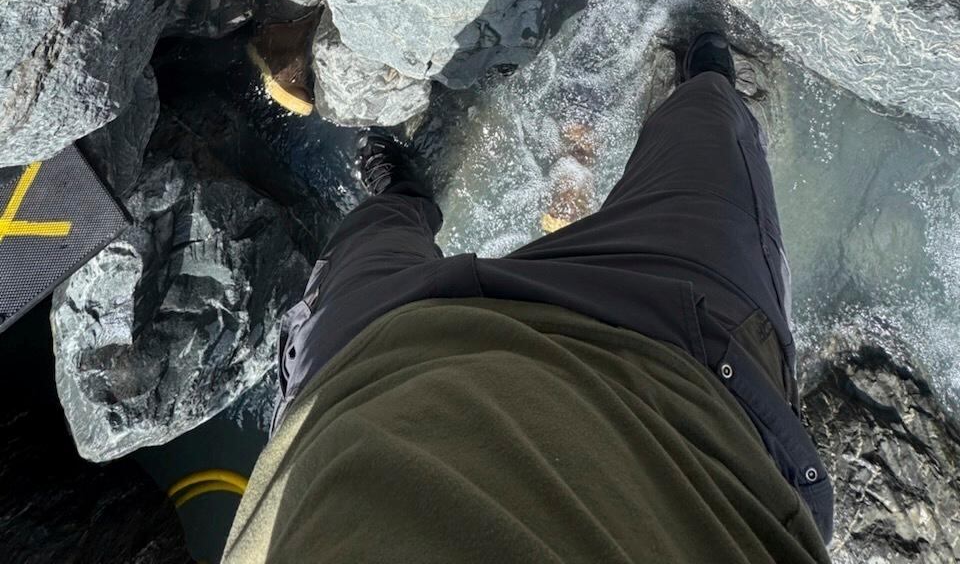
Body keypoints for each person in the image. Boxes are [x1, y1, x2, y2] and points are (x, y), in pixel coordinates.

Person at [222, 32, 832, 564]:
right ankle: (705, 84)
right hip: (669, 380)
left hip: (360, 374)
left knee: (367, 241)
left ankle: (403, 199)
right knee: (709, 149)